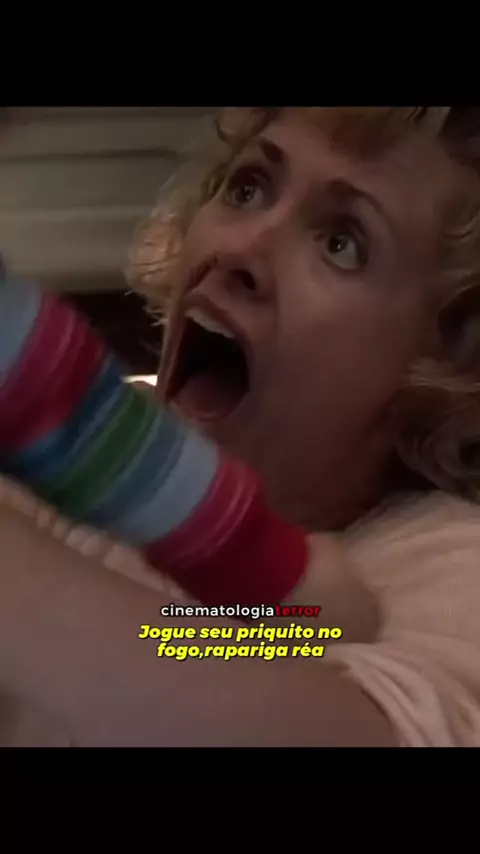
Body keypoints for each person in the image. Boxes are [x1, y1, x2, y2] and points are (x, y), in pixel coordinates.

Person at [1, 105, 480, 747]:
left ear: (443, 366)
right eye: (247, 188)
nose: (239, 249)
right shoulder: (86, 449)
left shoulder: (451, 568)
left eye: (342, 243)